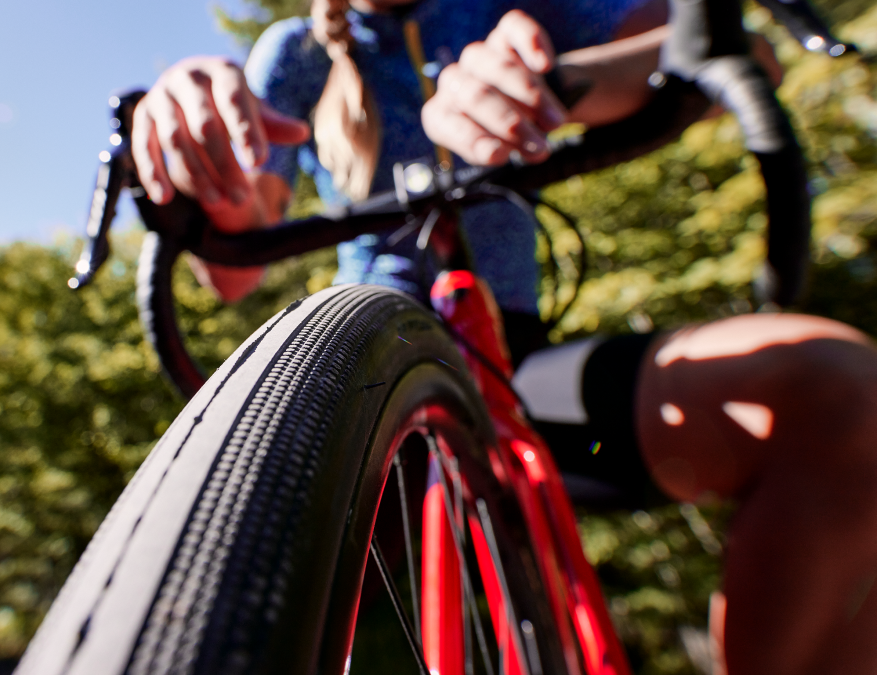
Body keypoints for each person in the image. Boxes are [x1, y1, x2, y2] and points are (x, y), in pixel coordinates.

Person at [130, 0, 877, 673]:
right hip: (358, 366)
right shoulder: (294, 52)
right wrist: (194, 158)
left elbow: (735, 49)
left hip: (514, 371)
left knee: (838, 398)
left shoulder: (507, 5)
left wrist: (558, 82)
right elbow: (233, 267)